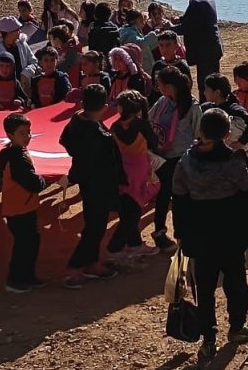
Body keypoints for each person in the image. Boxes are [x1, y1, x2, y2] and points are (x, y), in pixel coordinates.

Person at [172, 108, 248, 363]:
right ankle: (237, 327)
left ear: (201, 132)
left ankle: (209, 339)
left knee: (204, 289)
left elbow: (179, 199)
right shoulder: (231, 162)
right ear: (227, 133)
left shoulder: (186, 162)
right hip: (229, 235)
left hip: (200, 236)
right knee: (236, 282)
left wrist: (181, 234)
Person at [60, 84, 125, 289]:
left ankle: (92, 262)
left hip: (90, 185)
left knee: (95, 224)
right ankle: (74, 266)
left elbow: (66, 142)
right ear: (104, 107)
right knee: (94, 228)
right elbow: (93, 163)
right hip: (99, 185)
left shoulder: (77, 120)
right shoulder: (98, 136)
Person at [149, 67, 200, 252]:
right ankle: (161, 233)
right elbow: (149, 122)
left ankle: (183, 234)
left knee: (181, 198)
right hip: (163, 158)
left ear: (169, 87)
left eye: (160, 84)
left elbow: (199, 133)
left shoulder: (192, 107)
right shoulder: (162, 102)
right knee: (164, 196)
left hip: (183, 159)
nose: (158, 87)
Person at [108, 90, 161, 258]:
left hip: (121, 172)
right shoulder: (142, 125)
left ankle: (134, 243)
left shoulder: (115, 127)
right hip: (139, 171)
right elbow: (155, 144)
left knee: (128, 209)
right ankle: (115, 248)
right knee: (133, 212)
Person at [0, 113, 48, 293]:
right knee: (24, 245)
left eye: (28, 132)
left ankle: (27, 276)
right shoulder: (16, 157)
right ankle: (15, 280)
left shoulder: (14, 153)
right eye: (22, 133)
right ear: (10, 135)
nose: (27, 136)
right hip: (19, 209)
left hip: (23, 207)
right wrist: (44, 180)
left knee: (30, 242)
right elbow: (32, 183)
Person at [168, 0, 223, 97]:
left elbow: (189, 27)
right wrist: (181, 19)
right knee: (213, 82)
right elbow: (198, 19)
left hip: (205, 51)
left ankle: (208, 109)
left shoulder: (197, 2)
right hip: (211, 48)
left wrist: (170, 29)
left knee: (206, 86)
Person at [201, 74, 248, 150]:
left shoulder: (234, 110)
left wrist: (241, 143)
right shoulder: (205, 108)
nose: (204, 93)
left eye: (207, 90)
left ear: (217, 92)